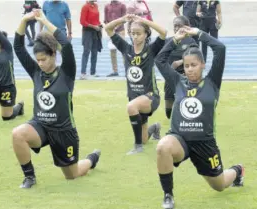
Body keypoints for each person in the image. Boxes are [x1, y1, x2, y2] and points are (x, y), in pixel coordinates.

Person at [154, 26, 244, 209]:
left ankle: (237, 171)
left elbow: (220, 49)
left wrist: (198, 33)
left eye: (194, 65)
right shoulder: (177, 81)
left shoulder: (212, 82)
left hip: (205, 143)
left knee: (219, 185)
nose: (189, 70)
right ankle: (168, 195)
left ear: (202, 64)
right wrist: (175, 40)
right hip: (179, 139)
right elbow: (159, 59)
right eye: (186, 66)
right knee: (163, 146)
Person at [13, 9, 101, 189]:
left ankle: (91, 160)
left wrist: (44, 20)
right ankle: (29, 177)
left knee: (73, 175)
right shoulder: (36, 72)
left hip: (64, 131)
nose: (40, 63)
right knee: (17, 134)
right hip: (41, 126)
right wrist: (24, 19)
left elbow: (66, 45)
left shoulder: (67, 72)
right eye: (37, 60)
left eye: (43, 59)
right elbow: (18, 47)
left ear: (53, 54)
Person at [105, 14, 167, 155]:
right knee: (145, 137)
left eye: (138, 33)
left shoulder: (151, 49)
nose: (135, 36)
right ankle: (154, 128)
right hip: (134, 97)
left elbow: (163, 32)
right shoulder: (126, 49)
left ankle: (137, 147)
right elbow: (108, 29)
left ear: (146, 35)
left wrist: (144, 21)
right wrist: (123, 19)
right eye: (132, 33)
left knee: (131, 107)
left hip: (150, 97)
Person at [164, 16, 197, 120]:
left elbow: (196, 58)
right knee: (168, 111)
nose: (176, 28)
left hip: (185, 78)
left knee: (185, 105)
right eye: (175, 26)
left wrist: (181, 61)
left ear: (186, 27)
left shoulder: (190, 42)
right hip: (170, 78)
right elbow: (160, 56)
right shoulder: (169, 41)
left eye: (179, 26)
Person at [80, 0, 102, 79]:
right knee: (86, 51)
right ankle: (83, 73)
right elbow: (82, 21)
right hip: (87, 32)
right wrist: (93, 26)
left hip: (95, 32)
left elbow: (96, 20)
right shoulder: (85, 7)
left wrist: (99, 24)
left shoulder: (96, 6)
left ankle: (93, 72)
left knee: (94, 52)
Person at [104, 0, 127, 77]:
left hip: (120, 31)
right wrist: (110, 28)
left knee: (124, 51)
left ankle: (127, 70)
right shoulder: (107, 6)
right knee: (112, 51)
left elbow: (124, 19)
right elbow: (106, 20)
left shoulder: (122, 6)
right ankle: (115, 71)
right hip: (111, 32)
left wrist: (116, 27)